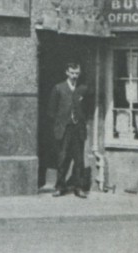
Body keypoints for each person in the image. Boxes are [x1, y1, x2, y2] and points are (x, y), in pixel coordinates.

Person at [47, 62, 88, 198]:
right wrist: (59, 124)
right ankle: (60, 187)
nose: (74, 76)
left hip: (78, 129)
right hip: (64, 129)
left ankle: (79, 187)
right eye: (72, 73)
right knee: (62, 158)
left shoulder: (83, 88)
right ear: (67, 72)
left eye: (77, 73)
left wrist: (81, 120)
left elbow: (87, 109)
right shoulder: (58, 88)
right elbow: (51, 111)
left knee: (79, 159)